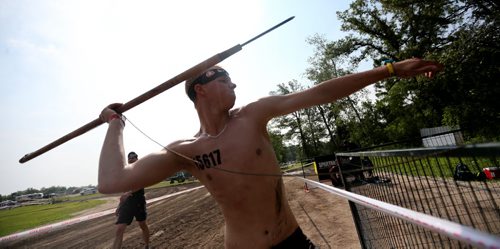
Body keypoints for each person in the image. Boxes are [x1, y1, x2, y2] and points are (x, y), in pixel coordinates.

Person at [98, 58, 443, 248]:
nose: (234, 85)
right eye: (225, 79)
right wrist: (115, 124)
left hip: (294, 244)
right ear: (200, 90)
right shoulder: (185, 151)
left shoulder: (252, 116)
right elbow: (112, 181)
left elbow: (320, 93)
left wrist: (389, 70)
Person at [112, 152, 150, 249]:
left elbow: (141, 184)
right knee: (119, 229)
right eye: (129, 158)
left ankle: (146, 245)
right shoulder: (125, 173)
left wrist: (129, 192)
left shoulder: (141, 171)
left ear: (137, 159)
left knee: (142, 225)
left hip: (139, 203)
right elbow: (124, 193)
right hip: (127, 205)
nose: (131, 159)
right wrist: (119, 206)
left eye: (133, 157)